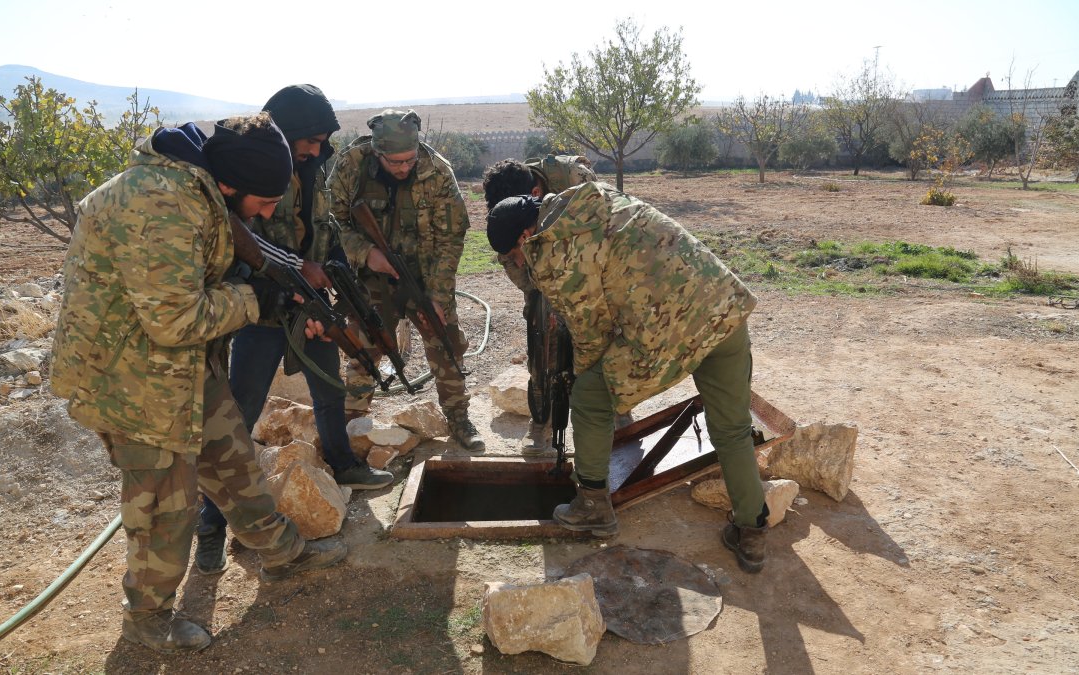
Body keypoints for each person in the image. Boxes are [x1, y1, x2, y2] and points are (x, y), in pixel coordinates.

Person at [50, 112, 346, 654]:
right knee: (167, 505)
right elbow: (174, 319)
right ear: (230, 184)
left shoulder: (197, 191)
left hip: (181, 366)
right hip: (130, 379)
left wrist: (267, 291)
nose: (269, 212)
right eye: (263, 201)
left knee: (230, 455)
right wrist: (258, 300)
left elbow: (200, 277)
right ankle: (147, 620)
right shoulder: (161, 205)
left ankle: (280, 552)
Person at [485, 185, 771, 573]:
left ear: (524, 237)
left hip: (669, 330)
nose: (520, 261)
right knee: (733, 430)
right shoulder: (593, 197)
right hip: (723, 308)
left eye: (515, 256)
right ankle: (752, 531)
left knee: (588, 397)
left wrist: (584, 378)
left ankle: (593, 507)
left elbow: (591, 334)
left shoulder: (552, 253)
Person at [193, 85, 393, 576]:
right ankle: (211, 524)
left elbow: (321, 230)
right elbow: (243, 239)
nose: (317, 150)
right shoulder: (254, 172)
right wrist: (291, 275)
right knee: (240, 412)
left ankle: (343, 463)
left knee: (329, 385)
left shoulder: (313, 171)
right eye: (312, 140)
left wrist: (335, 278)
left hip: (311, 301)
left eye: (323, 142)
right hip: (262, 309)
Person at [327, 109, 485, 452]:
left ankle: (458, 417)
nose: (403, 168)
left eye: (409, 160)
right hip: (372, 276)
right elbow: (331, 220)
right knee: (366, 347)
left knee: (446, 343)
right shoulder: (352, 165)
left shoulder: (439, 172)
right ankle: (351, 424)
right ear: (378, 152)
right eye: (394, 162)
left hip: (425, 275)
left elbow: (452, 237)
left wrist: (439, 297)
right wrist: (366, 253)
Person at [481, 156, 631, 455]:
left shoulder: (576, 185)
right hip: (541, 277)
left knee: (602, 340)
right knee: (542, 339)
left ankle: (621, 418)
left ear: (535, 194)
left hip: (592, 267)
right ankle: (541, 426)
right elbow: (522, 275)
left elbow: (606, 240)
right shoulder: (509, 208)